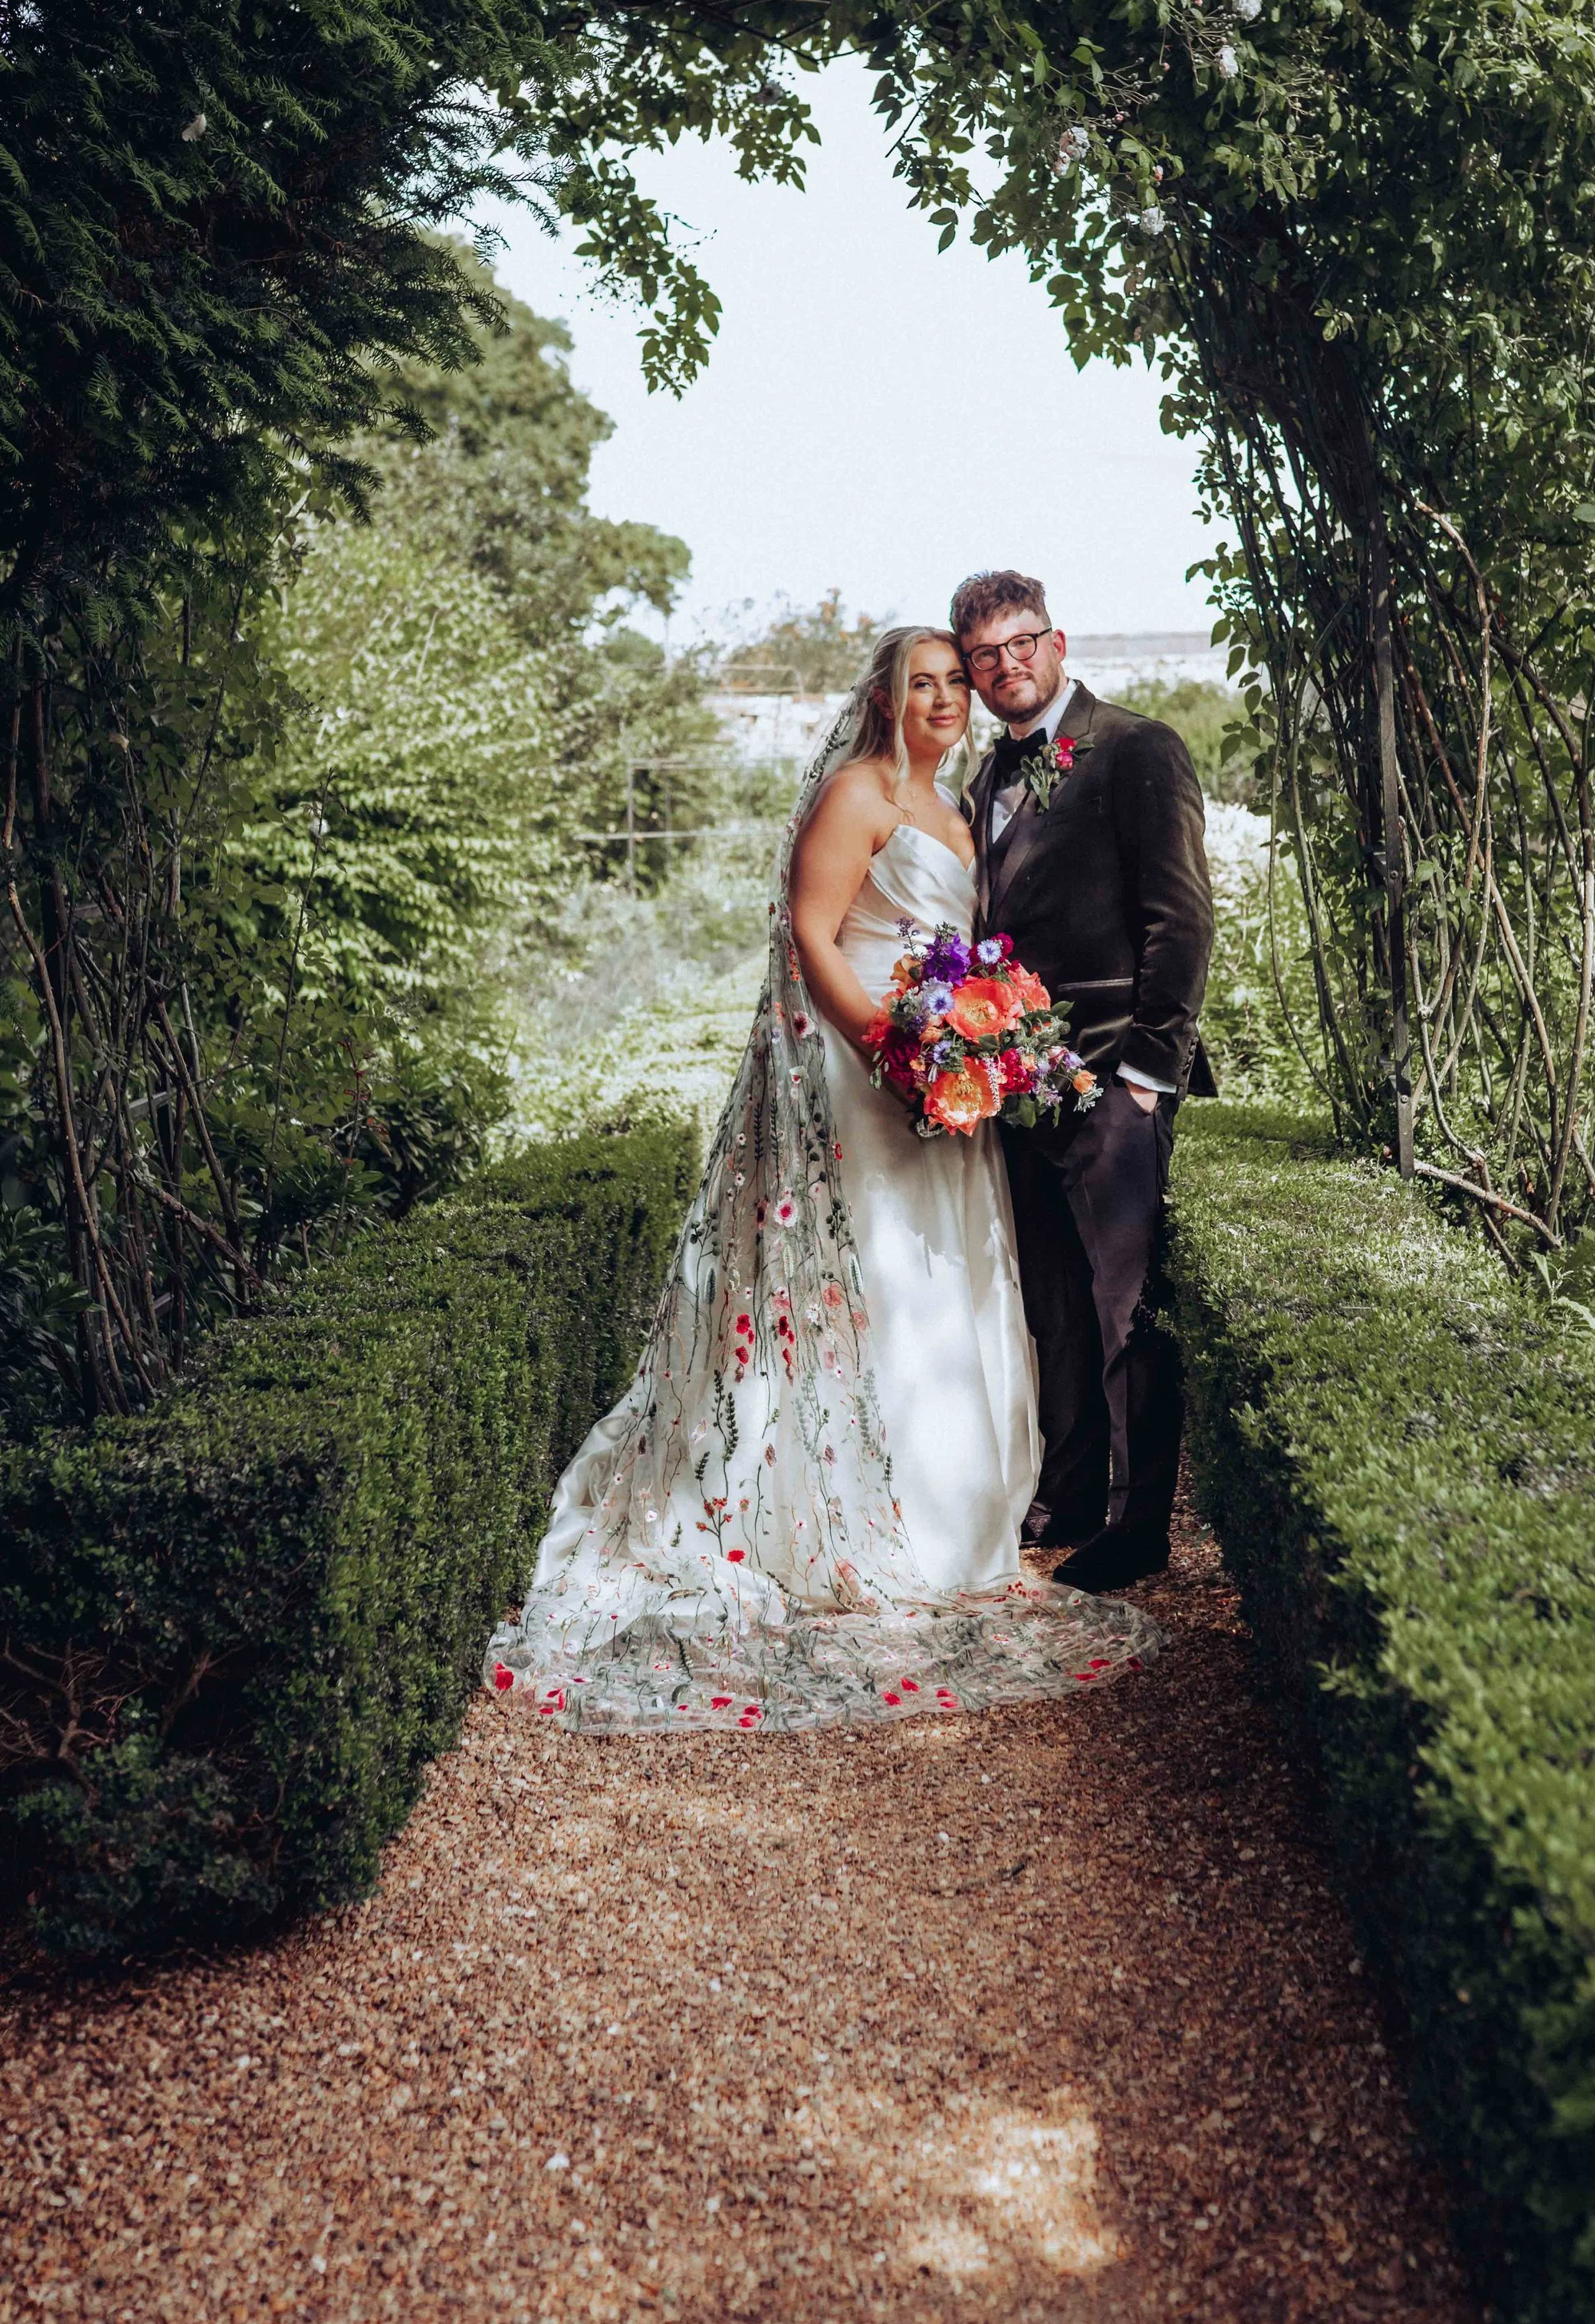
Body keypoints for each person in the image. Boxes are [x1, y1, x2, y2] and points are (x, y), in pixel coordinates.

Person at [485, 626, 1155, 1732]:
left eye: (955, 682)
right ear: (885, 700)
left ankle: (962, 1526)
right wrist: (896, 1051)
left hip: (954, 1083)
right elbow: (811, 932)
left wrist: (974, 1055)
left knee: (956, 1277)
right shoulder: (858, 794)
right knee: (880, 1277)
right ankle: (854, 1522)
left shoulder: (964, 801)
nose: (944, 698)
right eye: (922, 683)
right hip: (865, 1070)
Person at [956, 571, 1216, 1594]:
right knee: (1053, 1304)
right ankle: (1064, 1493)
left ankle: (1135, 1525)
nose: (1004, 665)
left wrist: (1150, 1076)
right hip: (1020, 1087)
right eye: (984, 655)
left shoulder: (1136, 748)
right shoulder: (986, 777)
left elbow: (1181, 919)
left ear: (1057, 642)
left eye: (1020, 643)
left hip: (1114, 1080)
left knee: (1125, 1313)